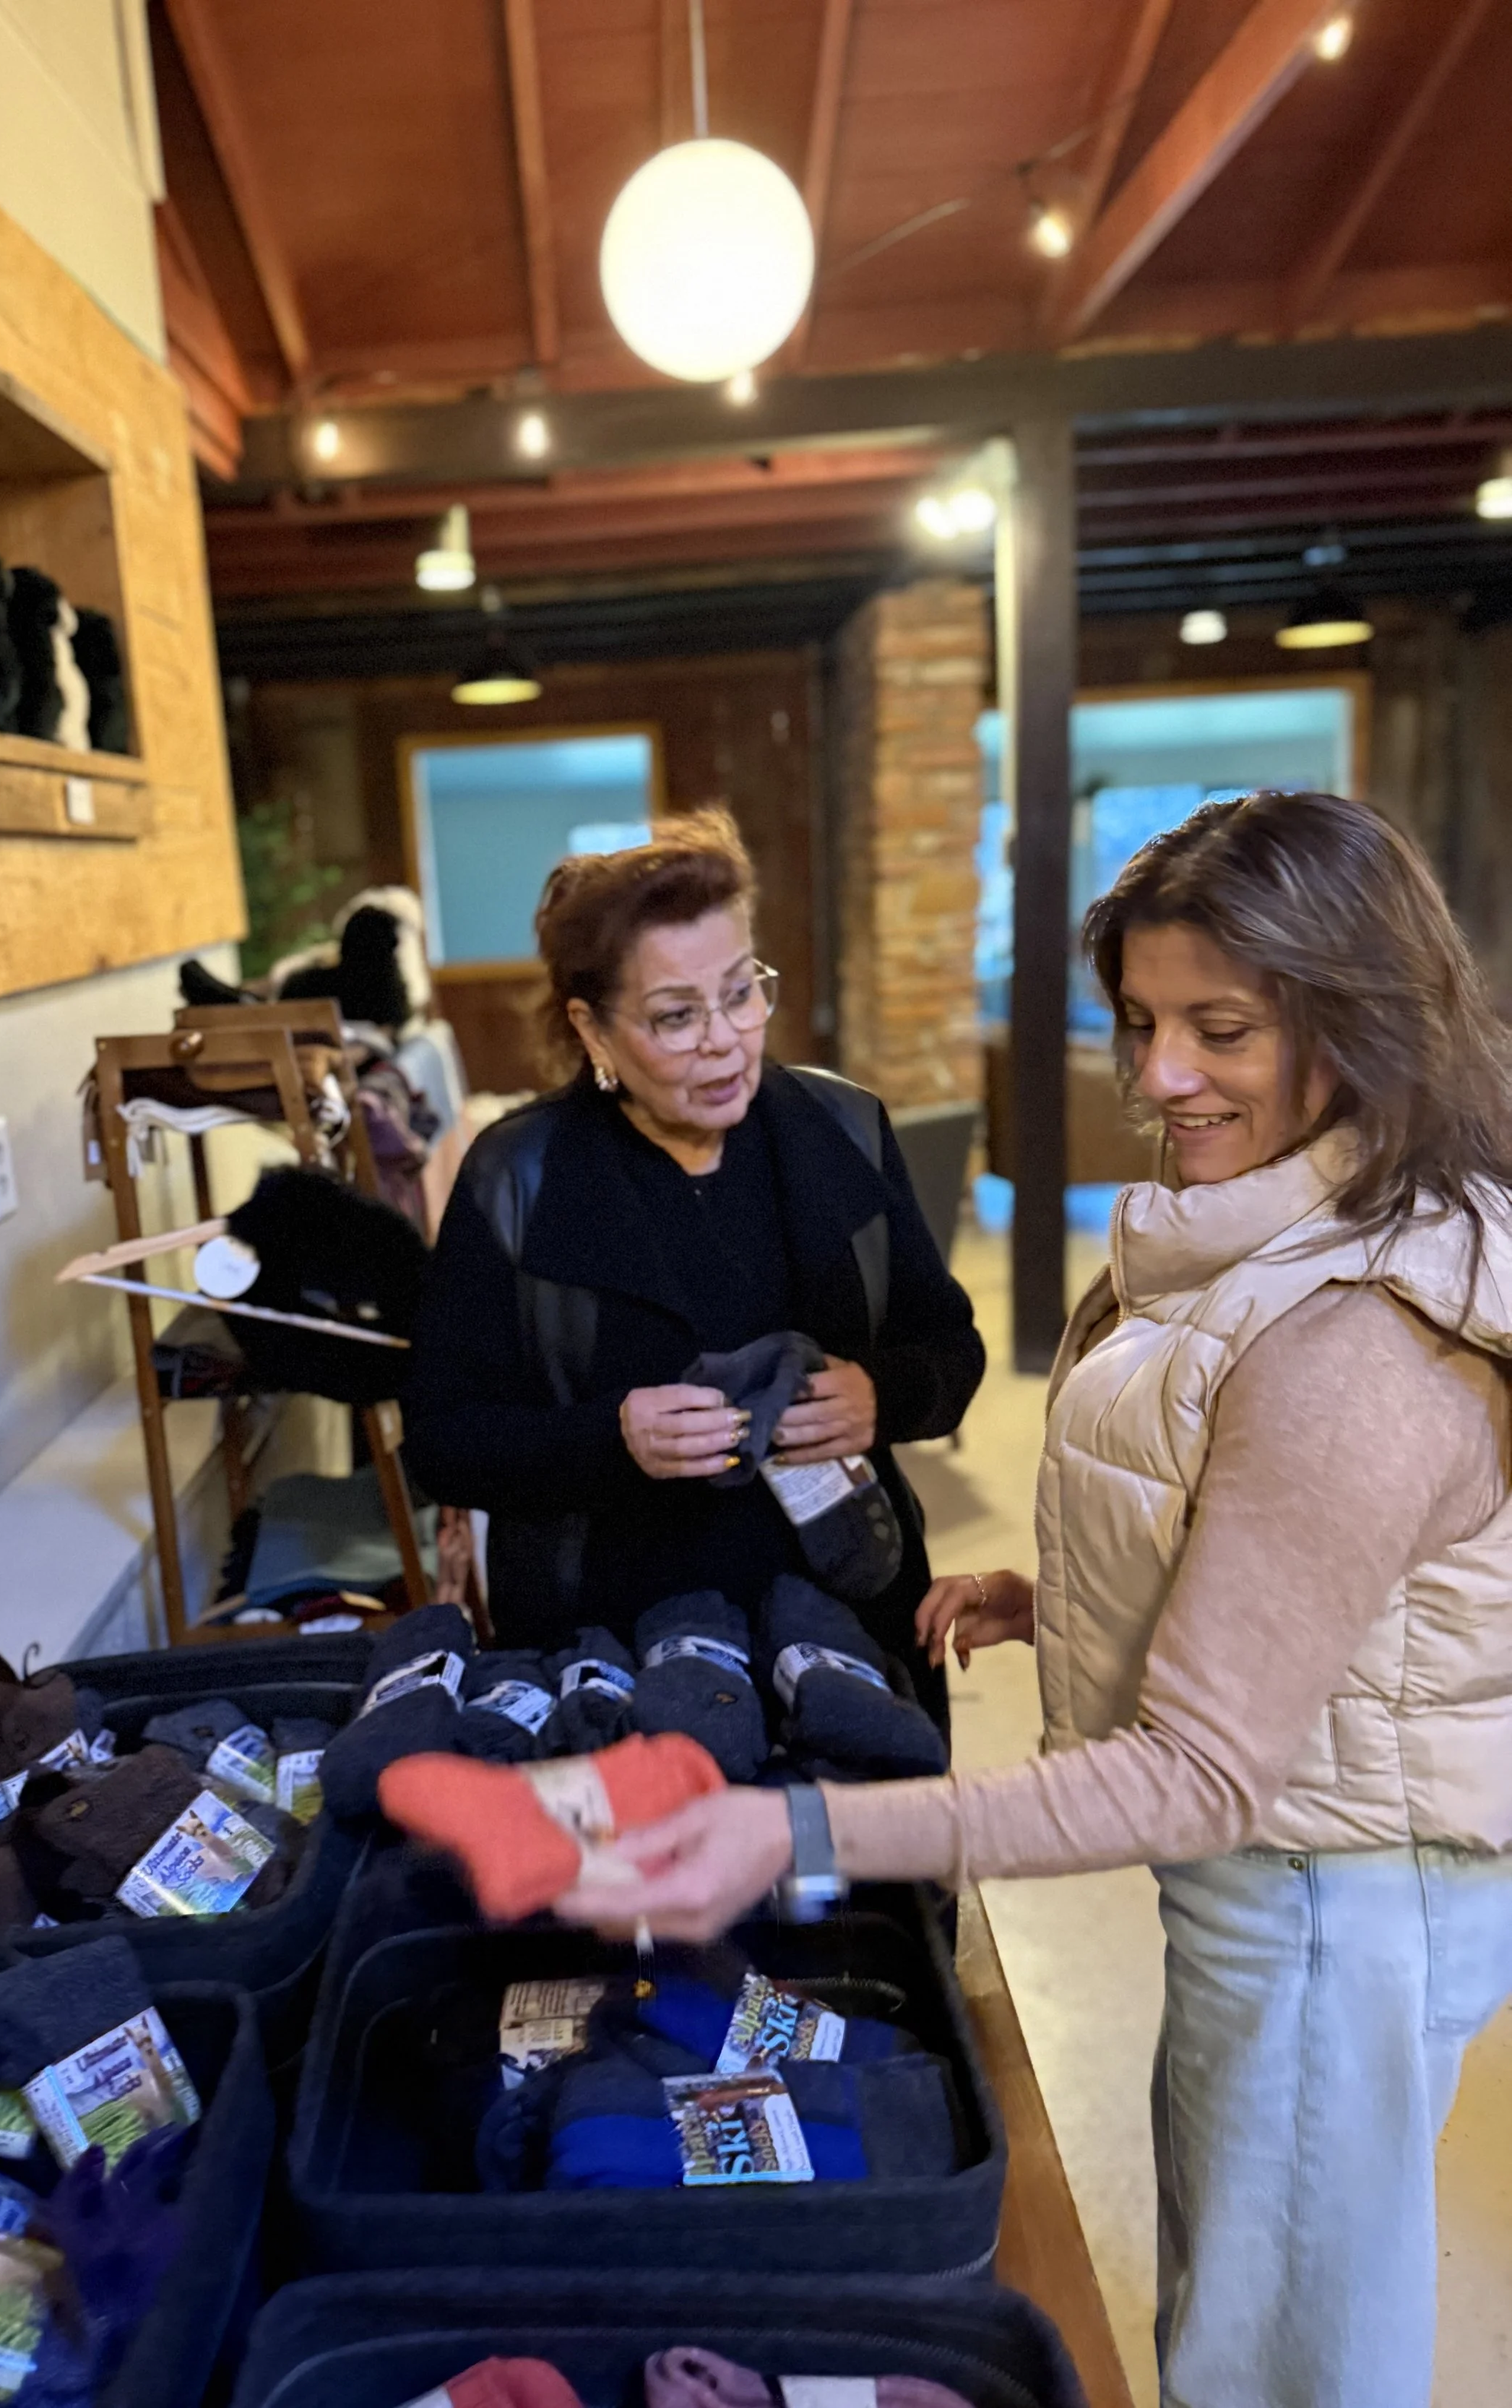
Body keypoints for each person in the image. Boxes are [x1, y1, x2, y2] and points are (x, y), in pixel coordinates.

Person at [559, 790, 1512, 2408]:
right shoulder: (1274, 1233)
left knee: (1271, 2366)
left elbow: (1202, 1768)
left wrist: (789, 1833)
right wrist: (1053, 1592)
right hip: (1288, 1884)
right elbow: (1259, 1536)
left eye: (1217, 1027)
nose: (1153, 1077)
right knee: (1245, 2301)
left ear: (1360, 1018)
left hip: (1321, 1899)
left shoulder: (1352, 1339)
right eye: (1138, 1022)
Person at [402, 811, 983, 1719]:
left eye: (742, 991)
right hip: (610, 1647)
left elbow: (950, 1348)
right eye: (675, 1016)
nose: (725, 1039)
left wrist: (882, 1396)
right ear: (592, 1031)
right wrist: (613, 1439)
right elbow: (443, 1443)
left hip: (847, 1618)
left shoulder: (844, 1132)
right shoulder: (518, 1175)